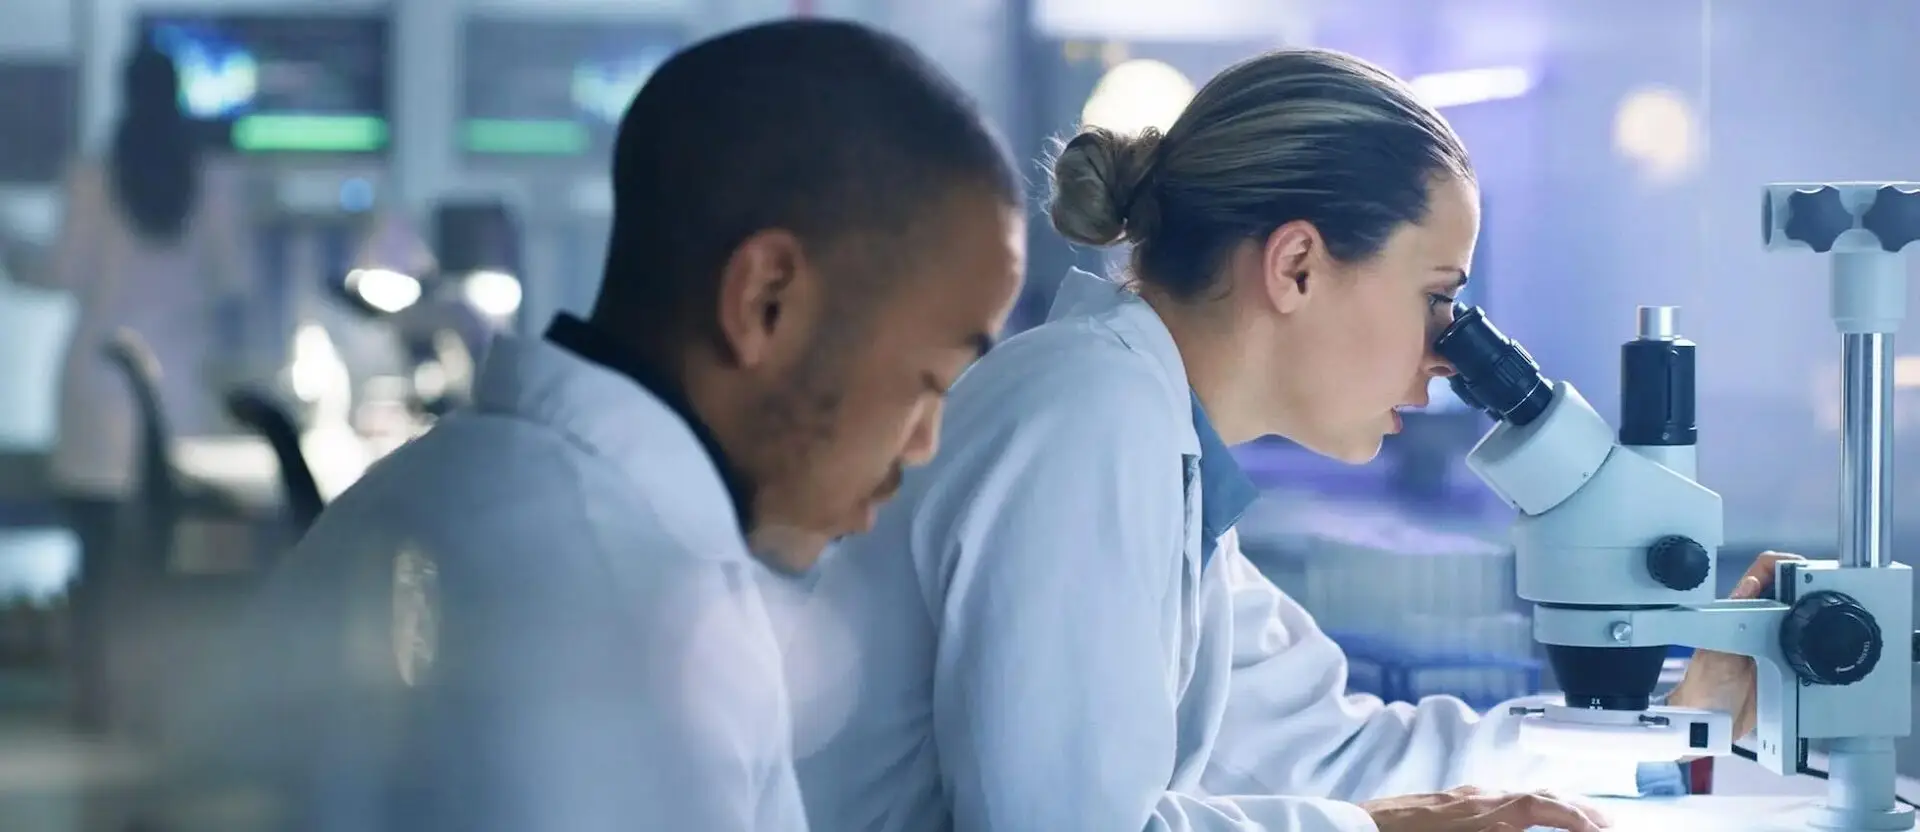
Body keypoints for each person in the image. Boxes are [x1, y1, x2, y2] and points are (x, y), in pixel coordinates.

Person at [770, 47, 1793, 832]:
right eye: (1438, 297)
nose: (1448, 355)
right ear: (1298, 265)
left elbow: (1337, 756)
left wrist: (1671, 740)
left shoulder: (1160, 450)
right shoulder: (1086, 414)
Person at [187, 20, 1024, 831]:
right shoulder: (620, 613)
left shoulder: (454, 485)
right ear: (766, 299)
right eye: (931, 382)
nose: (924, 445)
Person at [21, 41, 250, 732]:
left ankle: (96, 700)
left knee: (95, 559)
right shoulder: (210, 180)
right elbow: (234, 282)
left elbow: (60, 272)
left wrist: (11, 252)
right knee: (156, 558)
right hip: (171, 396)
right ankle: (155, 698)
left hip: (96, 389)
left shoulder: (92, 177)